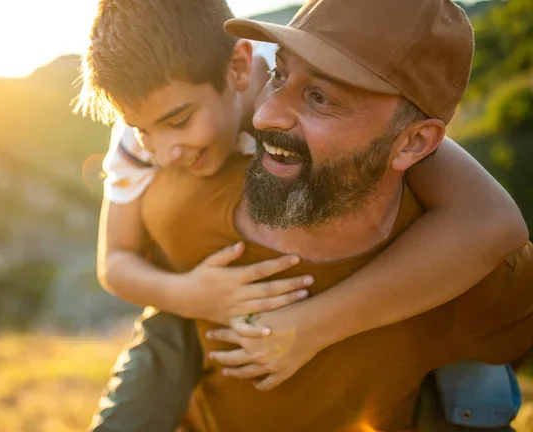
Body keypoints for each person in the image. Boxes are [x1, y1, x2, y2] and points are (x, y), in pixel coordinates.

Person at [75, 0, 530, 430]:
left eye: (318, 97)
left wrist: (313, 325)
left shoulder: (312, 69)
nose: (164, 151)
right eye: (143, 131)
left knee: (462, 313)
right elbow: (114, 260)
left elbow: (492, 222)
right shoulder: (141, 136)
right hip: (196, 284)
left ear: (238, 69)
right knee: (164, 330)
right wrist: (188, 293)